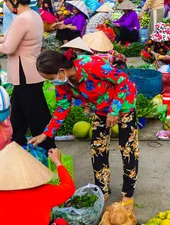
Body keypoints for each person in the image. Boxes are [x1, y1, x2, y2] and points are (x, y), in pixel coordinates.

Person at [33, 49, 138, 207]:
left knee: (128, 149)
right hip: (101, 108)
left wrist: (115, 110)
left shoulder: (91, 65)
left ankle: (128, 194)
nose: (50, 82)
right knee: (97, 149)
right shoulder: (64, 82)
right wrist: (47, 133)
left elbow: (122, 80)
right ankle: (102, 191)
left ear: (61, 71)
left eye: (49, 78)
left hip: (123, 103)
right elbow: (62, 107)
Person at [0, 0, 54, 151]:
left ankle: (48, 149)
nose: (5, 6)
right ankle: (16, 143)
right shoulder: (33, 15)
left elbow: (8, 48)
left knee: (36, 114)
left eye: (6, 2)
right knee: (18, 114)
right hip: (31, 71)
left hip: (25, 73)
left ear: (14, 1)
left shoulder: (22, 19)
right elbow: (7, 39)